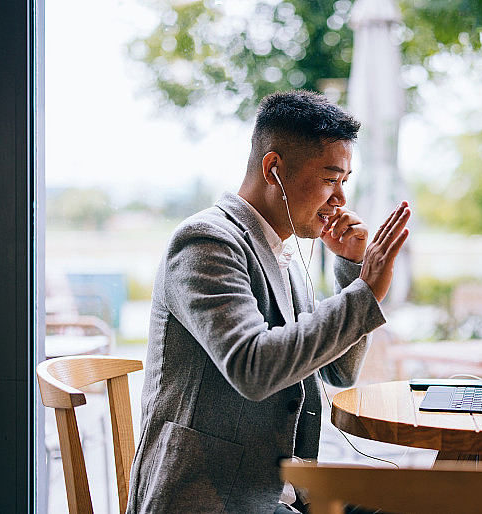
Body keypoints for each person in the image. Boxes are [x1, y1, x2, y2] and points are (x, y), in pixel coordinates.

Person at [127, 90, 411, 513]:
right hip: (212, 499)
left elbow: (340, 371)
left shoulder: (281, 253)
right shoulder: (206, 242)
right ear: (273, 168)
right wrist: (365, 293)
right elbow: (253, 368)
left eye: (344, 182)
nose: (340, 200)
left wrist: (352, 272)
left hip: (283, 495)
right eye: (330, 179)